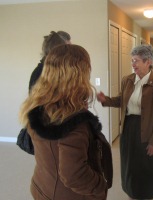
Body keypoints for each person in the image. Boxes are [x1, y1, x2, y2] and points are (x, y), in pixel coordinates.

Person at [19, 44, 112, 200]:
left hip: (42, 187)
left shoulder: (37, 107)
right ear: (78, 75)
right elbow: (74, 174)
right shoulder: (74, 122)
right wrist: (100, 185)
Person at [97, 44, 153, 200]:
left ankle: (149, 194)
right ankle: (132, 193)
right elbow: (122, 100)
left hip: (151, 130)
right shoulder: (127, 80)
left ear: (148, 61)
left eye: (136, 61)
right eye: (132, 60)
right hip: (130, 128)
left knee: (148, 166)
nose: (133, 64)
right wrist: (106, 100)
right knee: (130, 165)